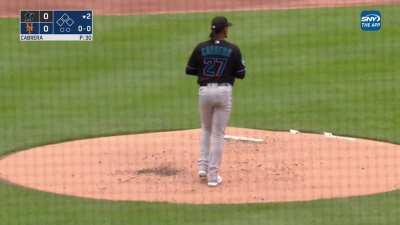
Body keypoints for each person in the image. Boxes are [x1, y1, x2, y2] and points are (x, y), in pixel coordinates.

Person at [185, 16, 246, 187]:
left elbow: (189, 70)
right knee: (218, 134)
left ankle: (202, 168)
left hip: (205, 91)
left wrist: (206, 71)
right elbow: (241, 73)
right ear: (224, 29)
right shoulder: (233, 49)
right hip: (224, 91)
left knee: (206, 129)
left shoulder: (201, 47)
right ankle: (213, 176)